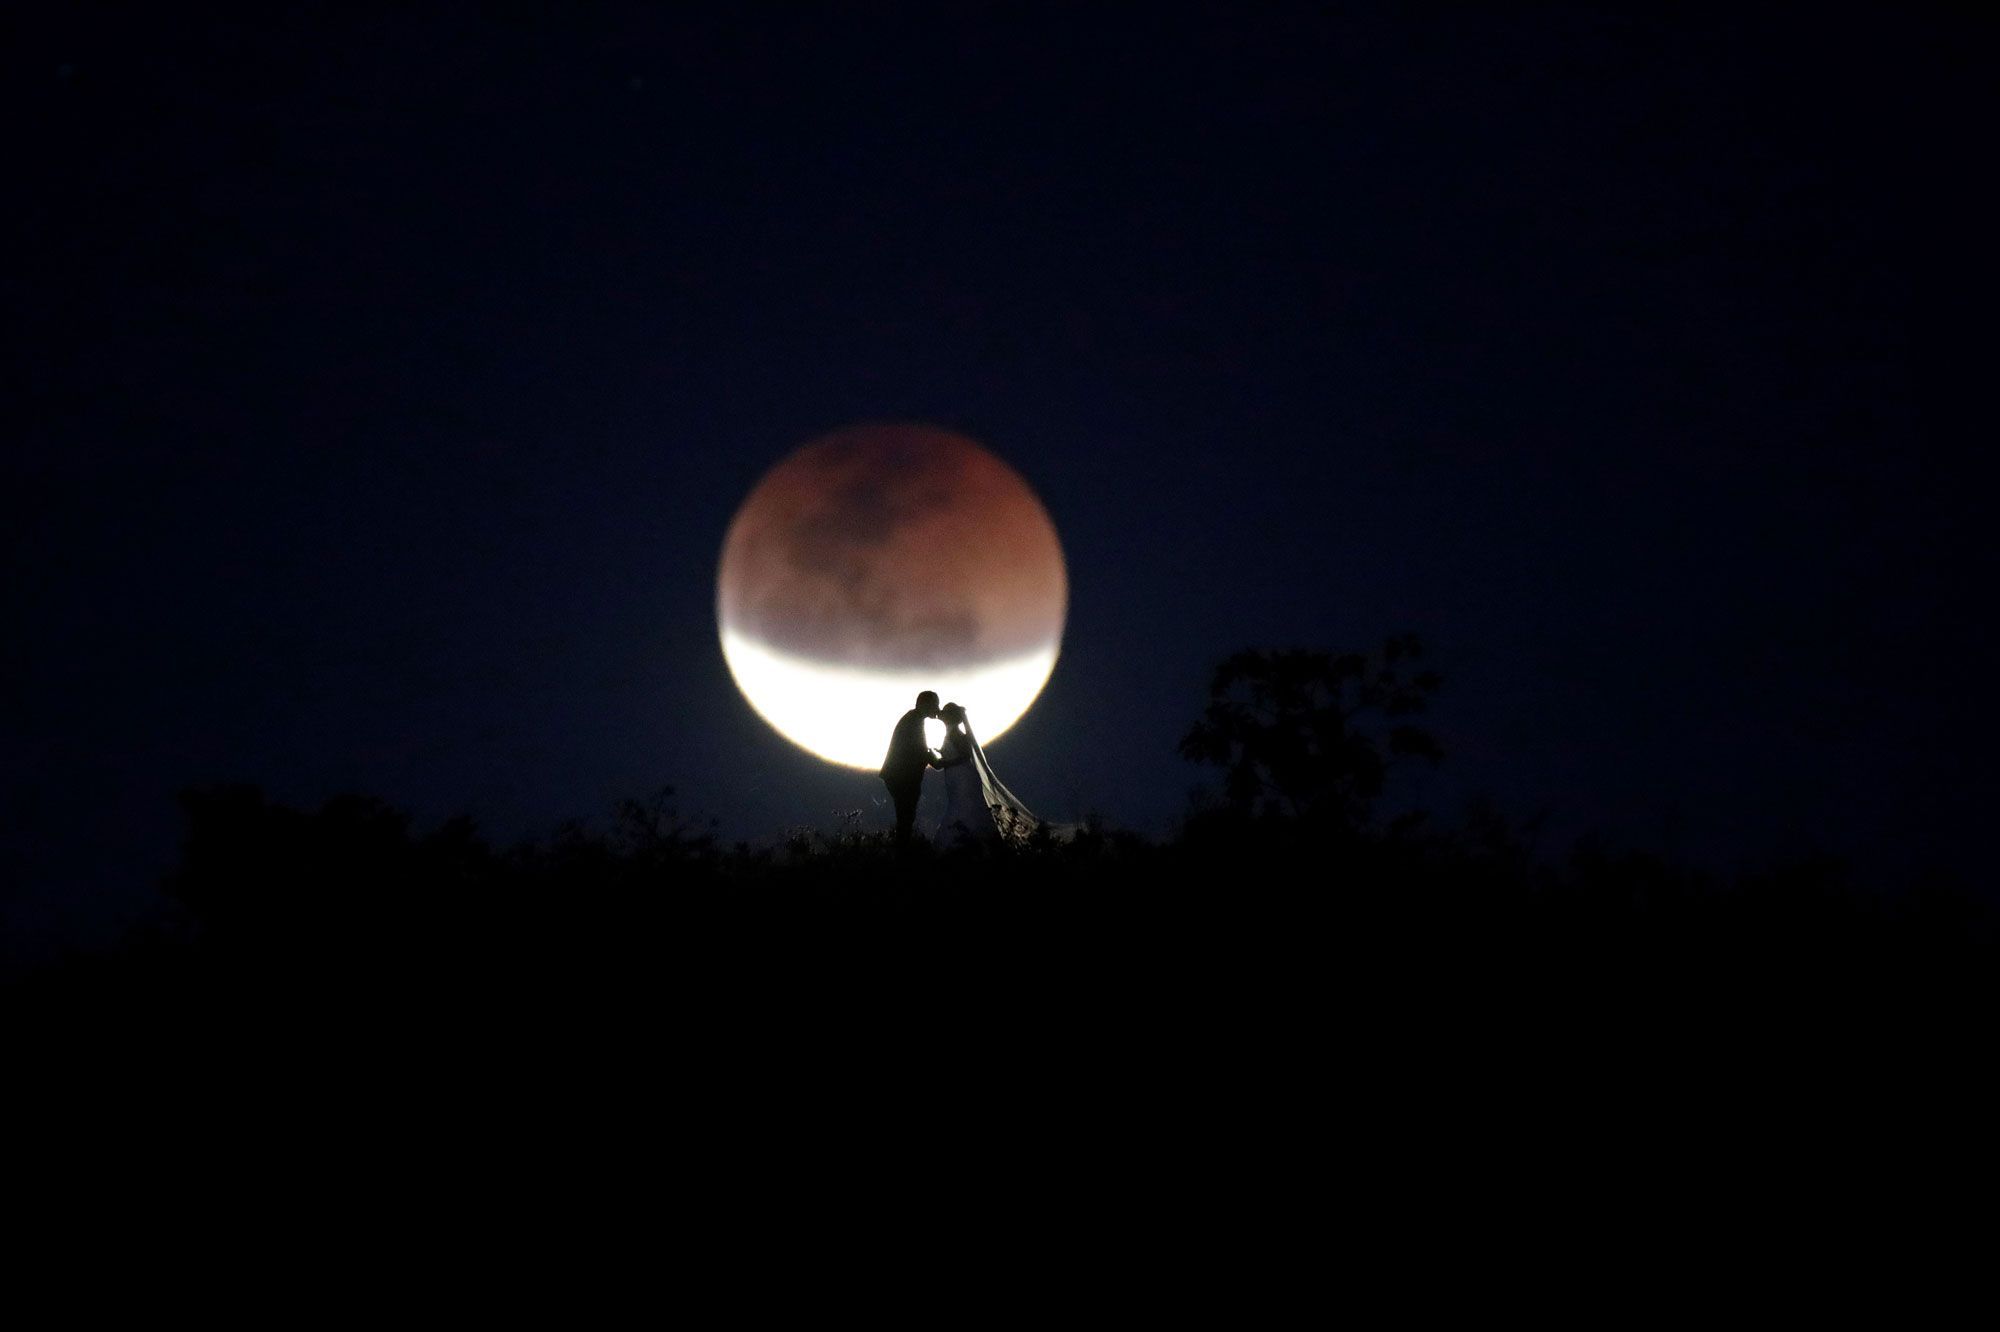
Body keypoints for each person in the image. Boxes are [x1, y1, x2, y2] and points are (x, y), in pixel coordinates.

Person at [934, 701, 1043, 848]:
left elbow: (964, 756)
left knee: (965, 807)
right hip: (956, 778)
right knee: (962, 806)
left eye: (945, 714)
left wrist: (945, 762)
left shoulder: (956, 735)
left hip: (963, 778)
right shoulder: (952, 733)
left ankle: (961, 843)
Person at [879, 690, 943, 849]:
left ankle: (903, 854)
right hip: (902, 778)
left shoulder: (913, 719)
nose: (937, 708)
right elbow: (919, 749)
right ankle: (902, 858)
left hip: (900, 777)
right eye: (935, 704)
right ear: (925, 704)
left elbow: (920, 748)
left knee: (906, 818)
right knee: (906, 819)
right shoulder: (913, 721)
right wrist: (939, 761)